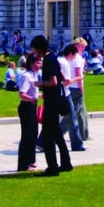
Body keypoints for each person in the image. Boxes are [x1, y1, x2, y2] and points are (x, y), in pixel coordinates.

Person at [35, 34, 71, 176]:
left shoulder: (48, 60)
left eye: (35, 49)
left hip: (51, 102)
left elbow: (54, 81)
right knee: (57, 133)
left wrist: (40, 84)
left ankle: (52, 167)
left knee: (49, 136)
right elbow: (61, 77)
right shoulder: (53, 58)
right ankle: (66, 162)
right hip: (56, 98)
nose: (34, 52)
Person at [16, 51, 41, 172]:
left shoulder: (35, 75)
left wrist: (39, 95)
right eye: (37, 62)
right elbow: (21, 94)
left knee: (33, 133)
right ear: (31, 63)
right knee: (27, 135)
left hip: (32, 106)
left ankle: (31, 160)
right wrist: (32, 98)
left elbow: (33, 91)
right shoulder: (26, 76)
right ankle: (23, 164)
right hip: (26, 107)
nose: (40, 64)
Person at [63, 37, 88, 151]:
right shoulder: (77, 58)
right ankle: (46, 138)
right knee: (71, 116)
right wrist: (81, 88)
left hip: (69, 88)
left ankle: (83, 135)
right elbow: (79, 75)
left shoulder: (70, 57)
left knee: (76, 113)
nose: (84, 49)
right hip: (75, 88)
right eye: (83, 47)